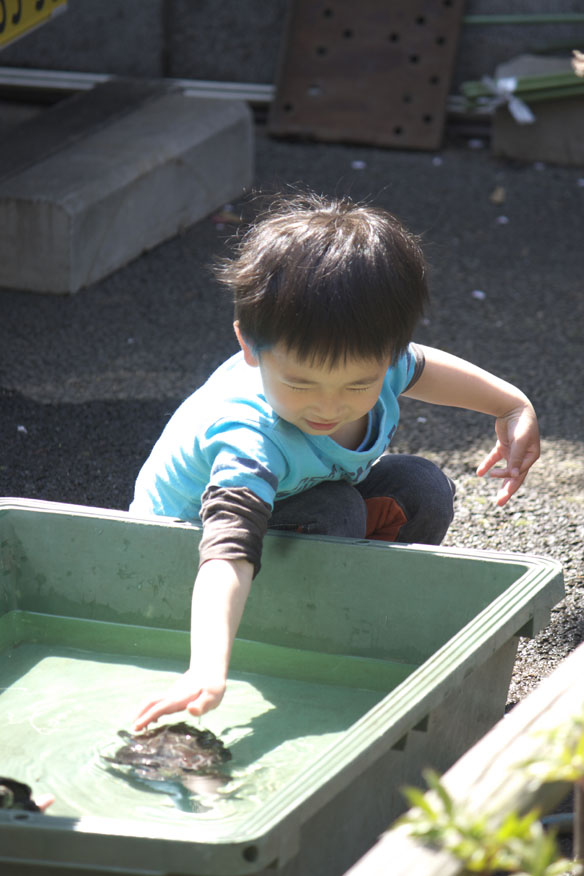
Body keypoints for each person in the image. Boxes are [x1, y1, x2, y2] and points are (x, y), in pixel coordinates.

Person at [129, 192, 540, 731]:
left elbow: (423, 367)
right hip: (181, 561)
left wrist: (512, 405)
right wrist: (206, 667)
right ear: (249, 344)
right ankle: (306, 651)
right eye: (300, 384)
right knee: (335, 511)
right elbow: (227, 552)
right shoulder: (249, 435)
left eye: (357, 385)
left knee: (422, 487)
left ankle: (355, 621)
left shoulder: (380, 359)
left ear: (387, 354)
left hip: (286, 518)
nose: (328, 406)